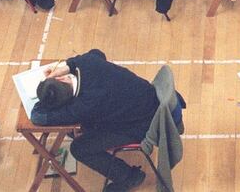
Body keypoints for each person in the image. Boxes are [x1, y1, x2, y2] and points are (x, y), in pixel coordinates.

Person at [31, 49, 161, 192]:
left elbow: (37, 117)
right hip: (149, 100)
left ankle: (128, 177)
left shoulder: (82, 107)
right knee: (80, 130)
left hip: (141, 124)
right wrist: (66, 67)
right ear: (61, 78)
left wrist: (44, 102)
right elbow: (97, 53)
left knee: (80, 148)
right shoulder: (90, 64)